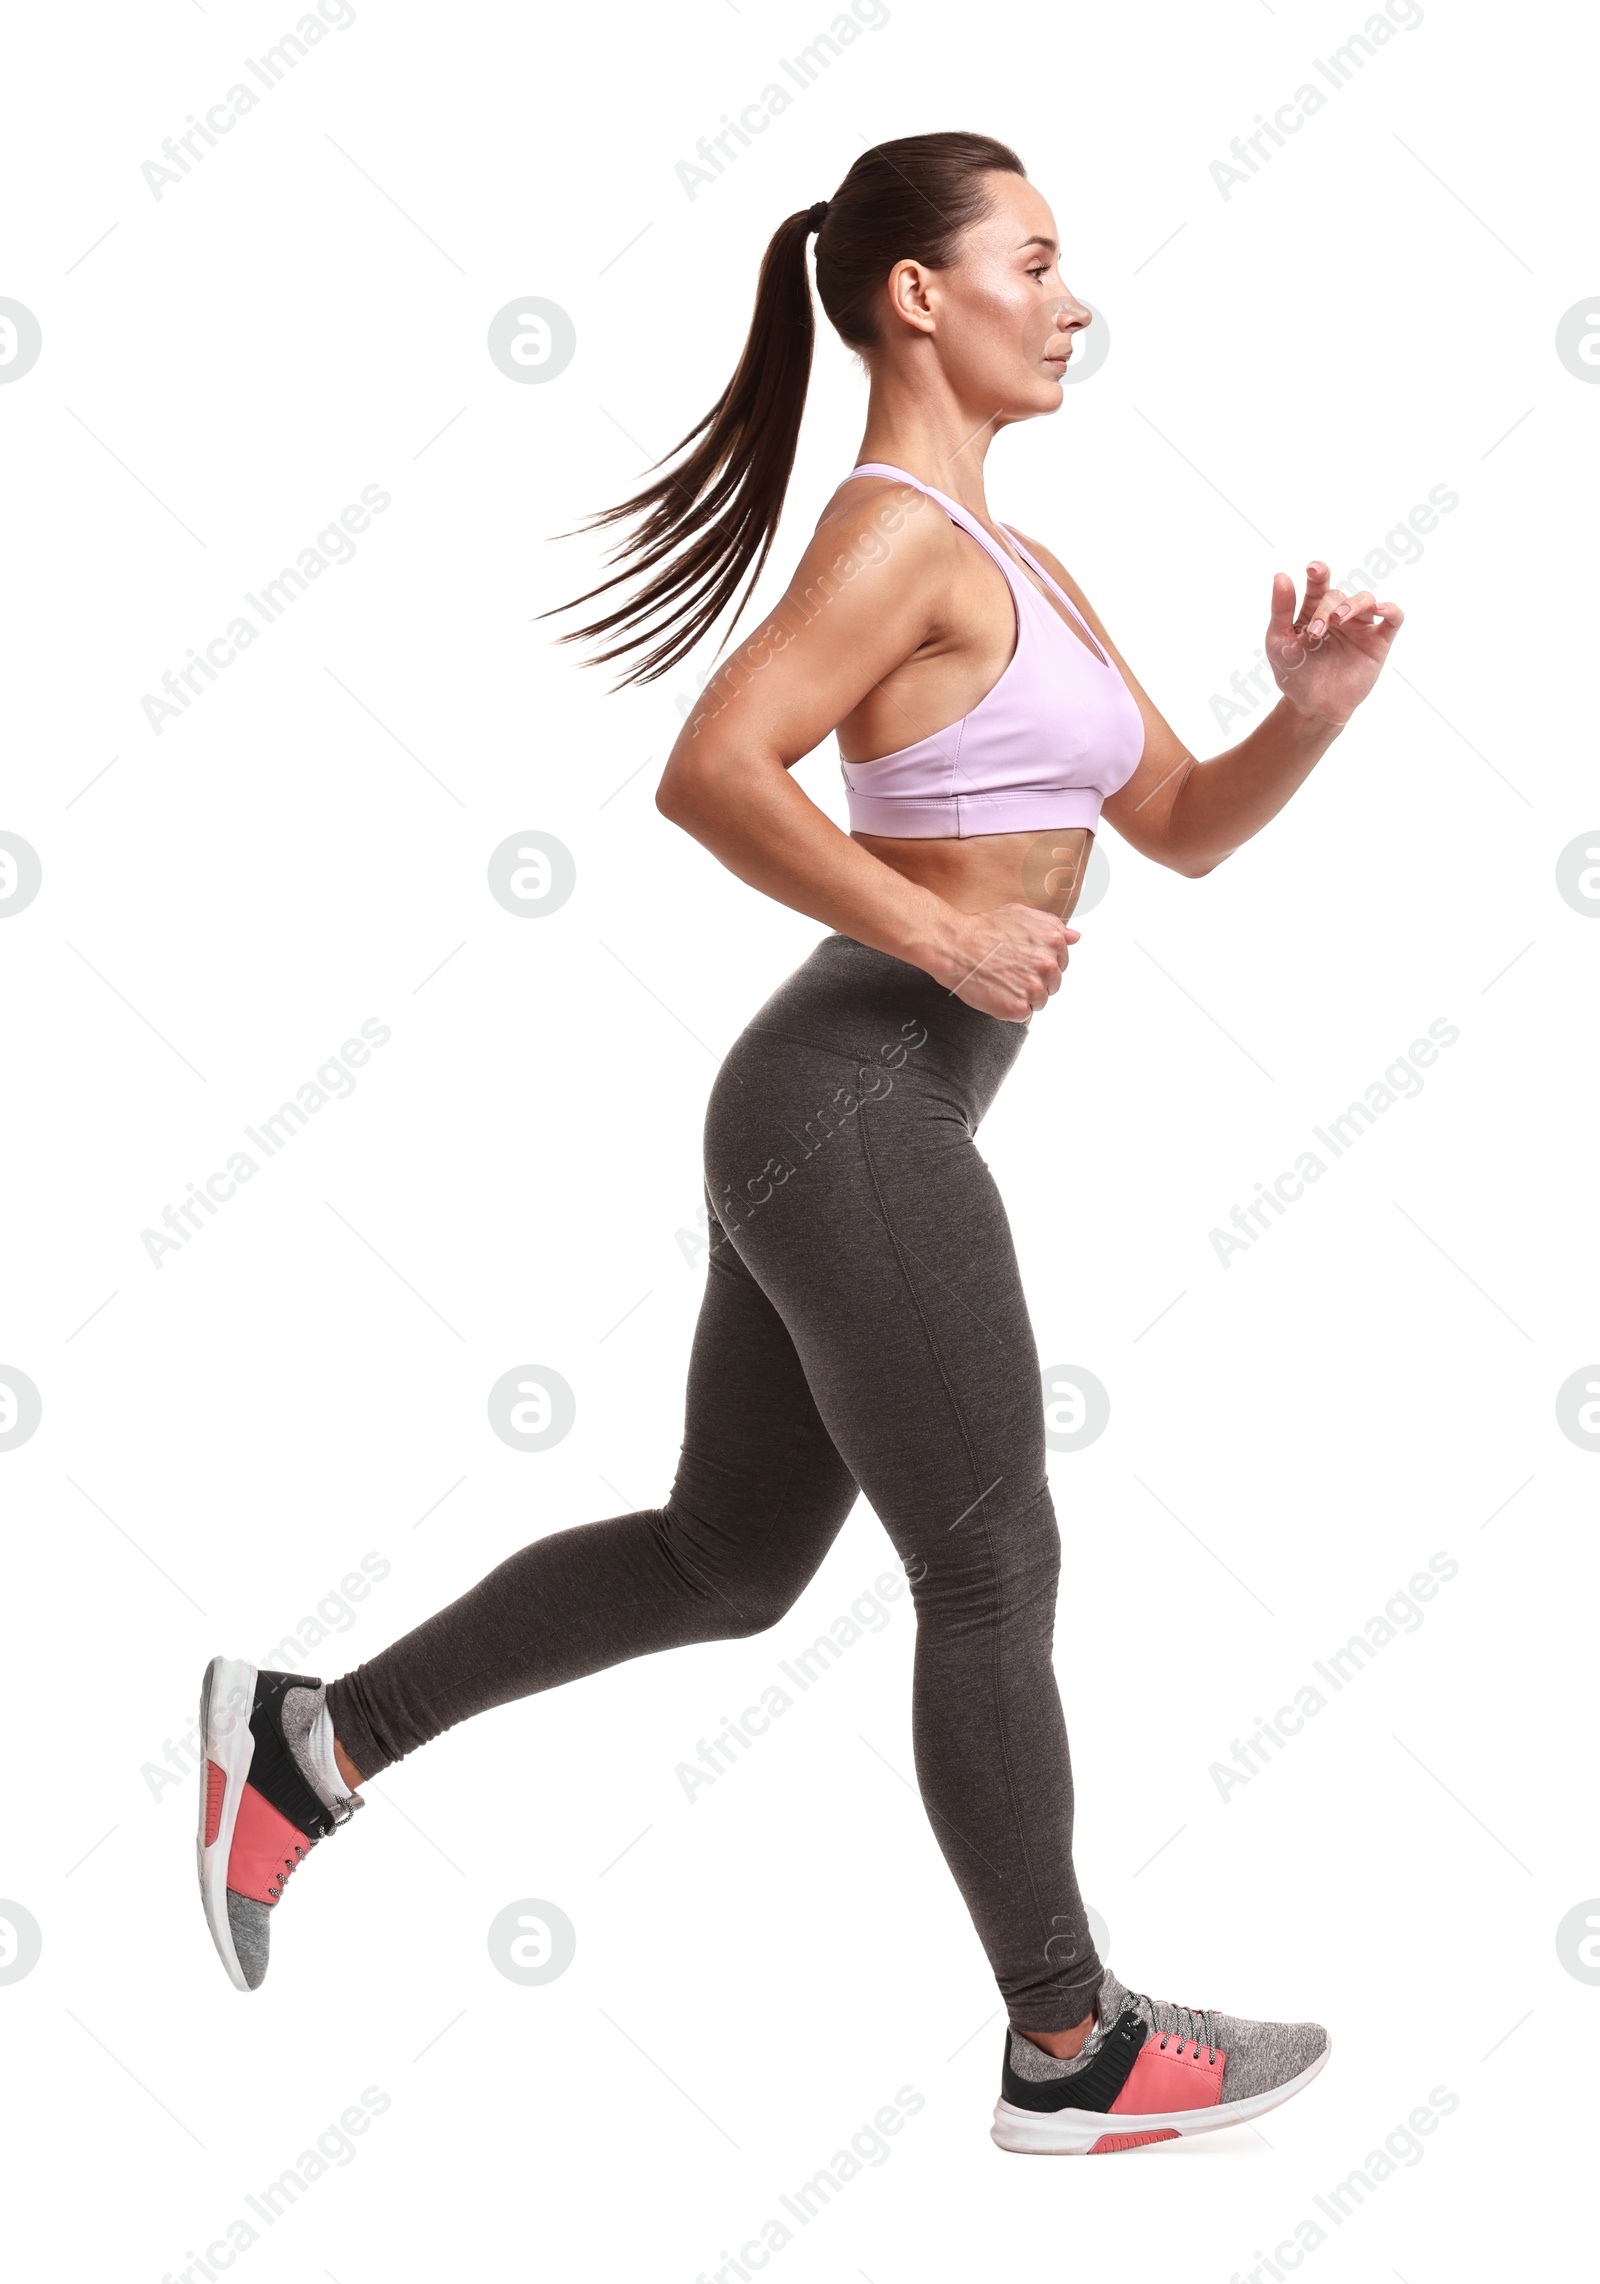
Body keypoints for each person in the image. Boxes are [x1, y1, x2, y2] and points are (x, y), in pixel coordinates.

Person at [195, 131, 1402, 2155]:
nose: (1074, 296)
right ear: (918, 294)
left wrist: (1304, 710)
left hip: (840, 1099)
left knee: (724, 1553)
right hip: (855, 1092)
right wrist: (934, 926)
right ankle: (1064, 2036)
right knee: (990, 1552)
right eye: (1035, 257)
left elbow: (1175, 826)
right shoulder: (892, 533)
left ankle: (312, 1738)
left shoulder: (1018, 559)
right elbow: (708, 767)